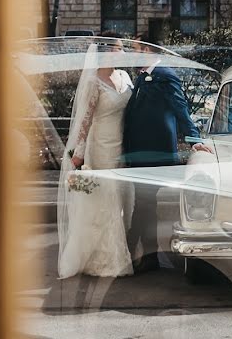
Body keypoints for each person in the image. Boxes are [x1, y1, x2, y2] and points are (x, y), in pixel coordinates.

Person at [57, 32, 135, 278]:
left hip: (122, 145)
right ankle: (104, 259)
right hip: (100, 147)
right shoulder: (93, 81)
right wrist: (77, 155)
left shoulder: (124, 76)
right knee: (104, 200)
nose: (123, 53)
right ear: (106, 51)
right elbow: (85, 121)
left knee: (121, 199)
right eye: (119, 48)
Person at [122, 36, 201, 273]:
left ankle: (135, 252)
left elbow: (180, 108)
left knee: (144, 204)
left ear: (146, 50)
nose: (131, 55)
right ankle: (147, 255)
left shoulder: (165, 75)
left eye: (135, 50)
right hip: (139, 151)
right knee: (145, 205)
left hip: (156, 151)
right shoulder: (142, 76)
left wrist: (194, 139)